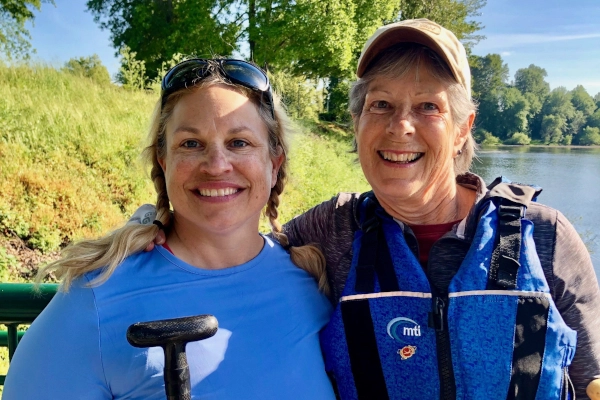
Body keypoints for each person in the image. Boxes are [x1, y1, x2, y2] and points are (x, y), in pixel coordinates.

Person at [139, 19, 600, 399]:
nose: (401, 127)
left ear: (463, 128)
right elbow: (229, 239)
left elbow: (590, 381)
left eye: (427, 107)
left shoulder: (546, 237)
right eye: (380, 104)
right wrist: (148, 226)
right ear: (357, 121)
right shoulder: (332, 230)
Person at [3, 59, 336, 399]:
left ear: (274, 163)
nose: (217, 165)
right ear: (164, 163)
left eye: (239, 142)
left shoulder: (313, 282)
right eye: (191, 143)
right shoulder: (97, 297)